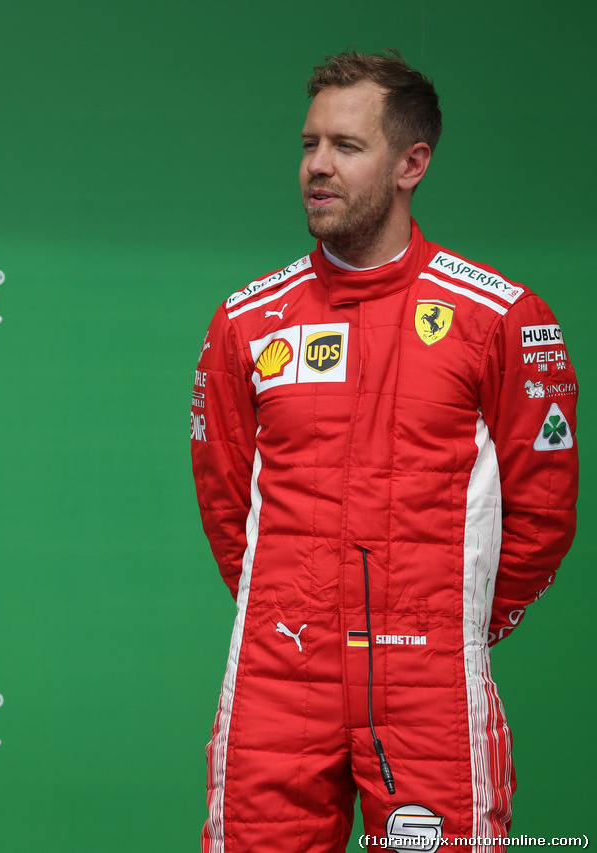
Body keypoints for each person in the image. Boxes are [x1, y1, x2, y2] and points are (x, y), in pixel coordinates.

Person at [191, 51, 577, 852]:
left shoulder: (497, 315)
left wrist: (454, 628)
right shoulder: (245, 320)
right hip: (277, 677)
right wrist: (295, 613)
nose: (317, 168)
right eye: (308, 145)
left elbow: (541, 512)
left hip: (429, 682)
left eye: (345, 146)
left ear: (412, 163)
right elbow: (230, 510)